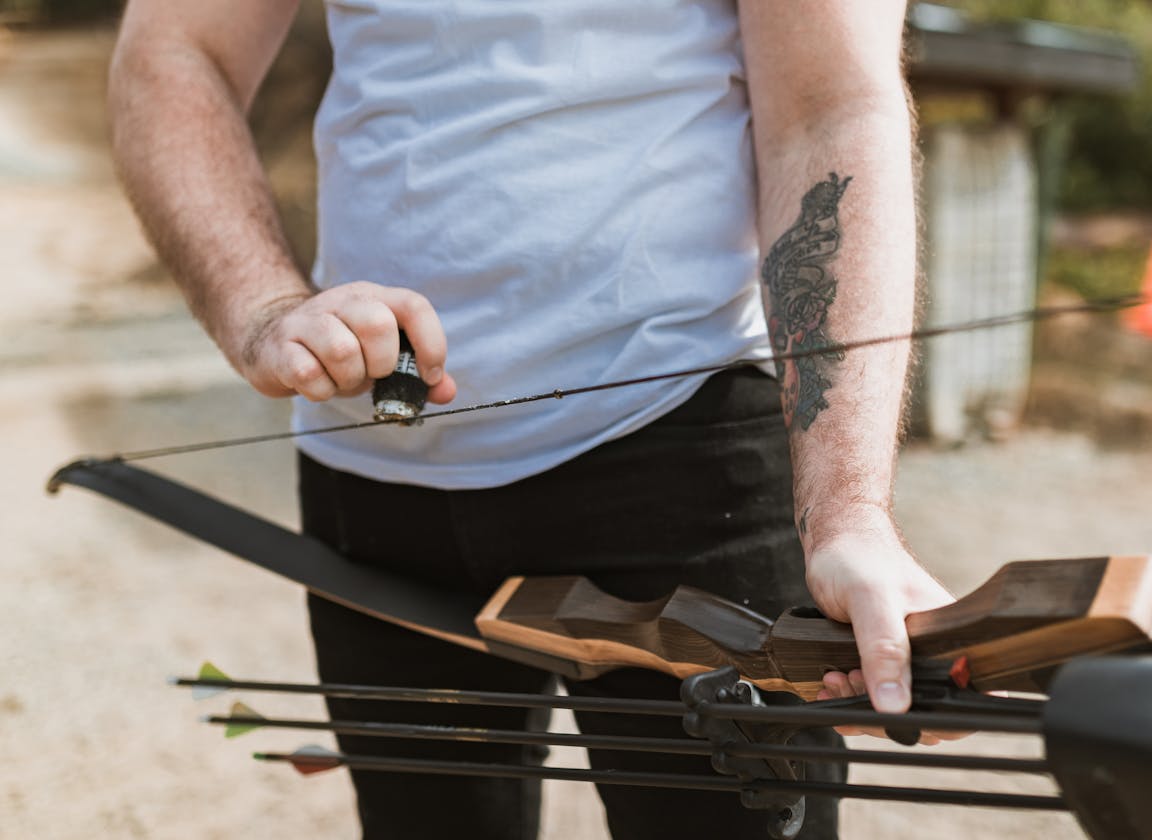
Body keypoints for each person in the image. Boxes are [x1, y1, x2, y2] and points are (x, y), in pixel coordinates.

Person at [109, 1, 955, 837]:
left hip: (685, 449)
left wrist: (847, 511)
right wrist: (263, 308)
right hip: (376, 464)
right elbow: (176, 50)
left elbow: (828, 108)